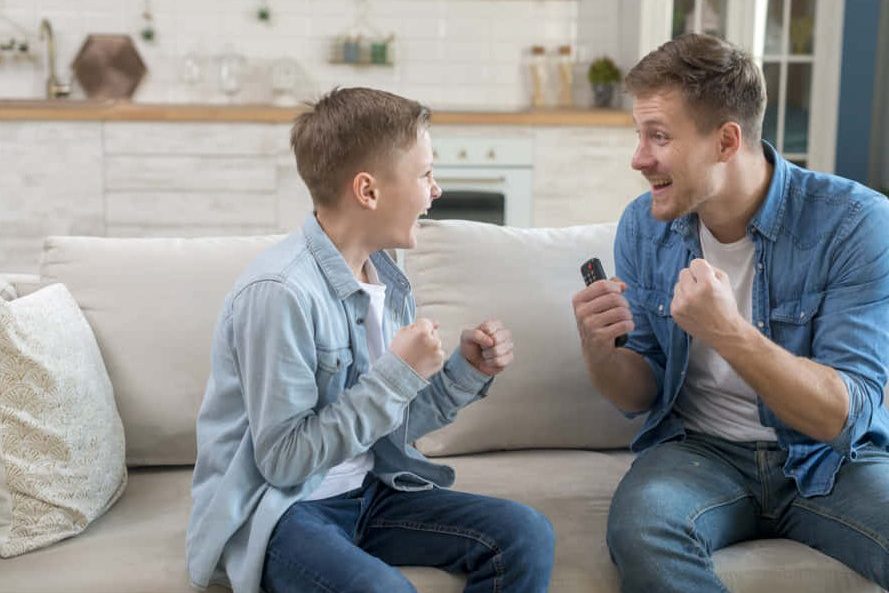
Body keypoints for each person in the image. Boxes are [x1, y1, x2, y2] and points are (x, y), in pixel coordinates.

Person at [187, 87, 555, 593]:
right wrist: (398, 373)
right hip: (285, 511)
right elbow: (284, 461)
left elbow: (389, 428)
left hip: (368, 494)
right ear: (368, 191)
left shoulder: (385, 275)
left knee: (525, 534)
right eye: (425, 174)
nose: (436, 190)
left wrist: (466, 374)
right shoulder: (280, 294)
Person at [572, 33, 889, 592]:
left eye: (659, 136)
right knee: (643, 529)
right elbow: (639, 393)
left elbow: (845, 417)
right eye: (639, 134)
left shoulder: (854, 223)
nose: (638, 158)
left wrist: (727, 331)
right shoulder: (644, 226)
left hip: (832, 461)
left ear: (725, 141)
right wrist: (601, 351)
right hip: (699, 455)